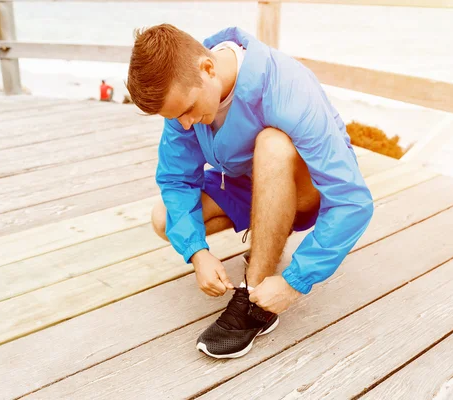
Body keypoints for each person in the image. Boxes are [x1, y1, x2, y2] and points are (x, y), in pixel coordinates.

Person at [125, 25, 374, 359]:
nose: (185, 124)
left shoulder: (287, 86)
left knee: (272, 143)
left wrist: (294, 283)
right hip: (247, 181)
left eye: (186, 110)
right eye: (176, 118)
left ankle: (254, 298)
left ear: (208, 68)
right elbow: (177, 180)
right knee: (163, 218)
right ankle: (267, 240)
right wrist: (198, 252)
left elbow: (352, 200)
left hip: (305, 189)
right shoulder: (184, 94)